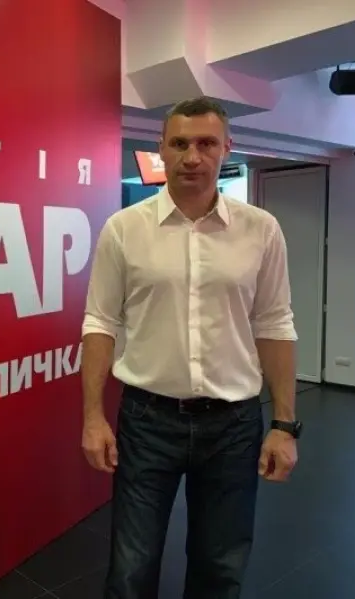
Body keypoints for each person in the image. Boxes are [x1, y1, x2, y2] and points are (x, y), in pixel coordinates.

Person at [80, 96, 302, 599]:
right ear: (161, 148)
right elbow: (100, 321)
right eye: (179, 144)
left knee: (220, 569)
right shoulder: (124, 229)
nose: (192, 157)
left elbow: (275, 323)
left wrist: (284, 425)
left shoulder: (261, 230)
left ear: (227, 148)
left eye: (206, 143)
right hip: (147, 421)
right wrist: (93, 417)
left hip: (233, 424)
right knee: (131, 568)